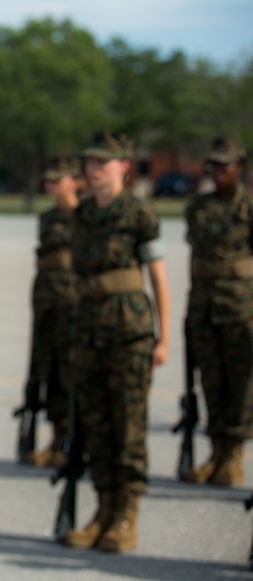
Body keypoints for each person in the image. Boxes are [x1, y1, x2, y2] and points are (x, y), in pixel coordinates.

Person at [64, 132, 170, 554]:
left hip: (128, 332)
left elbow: (158, 276)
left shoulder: (139, 213)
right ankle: (103, 509)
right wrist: (74, 336)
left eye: (103, 163)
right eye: (90, 162)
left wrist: (163, 339)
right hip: (90, 332)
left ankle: (126, 515)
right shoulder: (84, 213)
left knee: (127, 426)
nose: (94, 170)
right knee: (96, 426)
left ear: (124, 166)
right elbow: (78, 280)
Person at [183, 137, 252, 487]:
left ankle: (234, 455)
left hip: (242, 308)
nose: (218, 172)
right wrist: (191, 300)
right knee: (210, 380)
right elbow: (194, 258)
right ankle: (216, 451)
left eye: (224, 166)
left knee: (241, 383)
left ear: (239, 167)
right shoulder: (199, 207)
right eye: (213, 165)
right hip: (205, 306)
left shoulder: (249, 206)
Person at [22, 156, 82, 468]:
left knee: (70, 371)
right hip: (47, 303)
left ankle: (71, 437)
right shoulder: (47, 218)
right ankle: (57, 435)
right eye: (49, 179)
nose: (52, 184)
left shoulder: (85, 216)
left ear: (76, 182)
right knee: (49, 372)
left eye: (59, 179)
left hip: (72, 303)